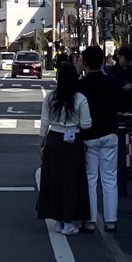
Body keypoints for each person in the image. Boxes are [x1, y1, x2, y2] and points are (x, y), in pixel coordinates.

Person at [35, 58, 93, 235]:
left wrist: (41, 144)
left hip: (54, 139)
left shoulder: (51, 97)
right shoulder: (80, 98)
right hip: (73, 140)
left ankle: (58, 220)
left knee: (54, 179)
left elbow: (44, 121)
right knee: (72, 181)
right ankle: (69, 221)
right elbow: (86, 124)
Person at [79, 45, 120, 232]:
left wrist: (78, 68)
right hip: (110, 132)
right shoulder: (112, 82)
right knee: (110, 177)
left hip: (89, 135)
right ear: (103, 60)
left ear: (85, 62)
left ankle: (90, 220)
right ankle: (111, 220)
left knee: (90, 178)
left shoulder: (81, 85)